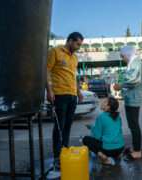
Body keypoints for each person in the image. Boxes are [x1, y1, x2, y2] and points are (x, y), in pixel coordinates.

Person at [46, 32, 84, 168]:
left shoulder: (75, 58)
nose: (78, 47)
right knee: (59, 126)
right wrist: (49, 90)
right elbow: (47, 71)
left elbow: (73, 76)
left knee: (68, 126)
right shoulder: (55, 51)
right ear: (70, 41)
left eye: (80, 45)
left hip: (72, 96)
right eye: (77, 44)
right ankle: (57, 157)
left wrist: (78, 92)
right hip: (59, 95)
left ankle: (65, 152)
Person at [113, 46, 142, 160]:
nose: (122, 59)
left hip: (134, 99)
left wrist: (120, 85)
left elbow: (134, 81)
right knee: (132, 125)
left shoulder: (136, 63)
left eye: (122, 56)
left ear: (127, 54)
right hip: (130, 98)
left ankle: (137, 151)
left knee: (134, 125)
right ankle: (136, 148)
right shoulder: (133, 63)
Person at [82, 97, 125, 165]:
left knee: (85, 139)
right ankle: (117, 155)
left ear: (108, 107)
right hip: (120, 148)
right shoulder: (118, 117)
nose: (102, 102)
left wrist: (92, 128)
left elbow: (97, 136)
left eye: (105, 102)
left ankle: (103, 157)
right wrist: (92, 127)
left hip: (108, 150)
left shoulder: (101, 117)